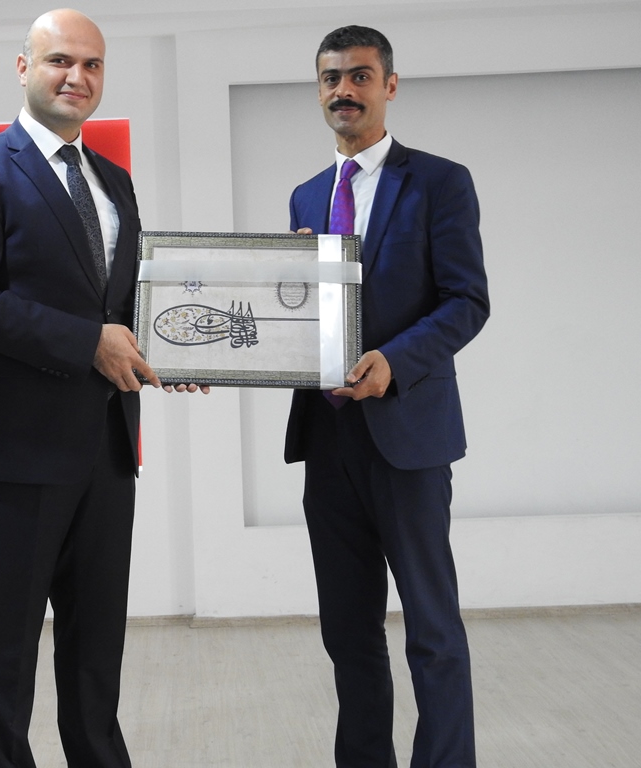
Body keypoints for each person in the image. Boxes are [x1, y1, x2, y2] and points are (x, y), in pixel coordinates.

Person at [0, 9, 161, 767]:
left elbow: (124, 304)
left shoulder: (114, 182)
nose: (77, 77)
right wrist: (89, 342)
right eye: (61, 60)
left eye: (92, 64)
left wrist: (178, 346)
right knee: (4, 657)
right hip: (15, 457)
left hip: (107, 451)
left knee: (97, 656)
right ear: (24, 67)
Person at [285, 25, 489, 768]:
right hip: (327, 438)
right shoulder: (307, 195)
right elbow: (298, 313)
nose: (344, 90)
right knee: (347, 631)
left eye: (360, 76)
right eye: (331, 78)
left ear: (390, 86)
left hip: (408, 435)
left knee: (432, 628)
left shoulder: (439, 182)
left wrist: (394, 363)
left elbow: (467, 302)